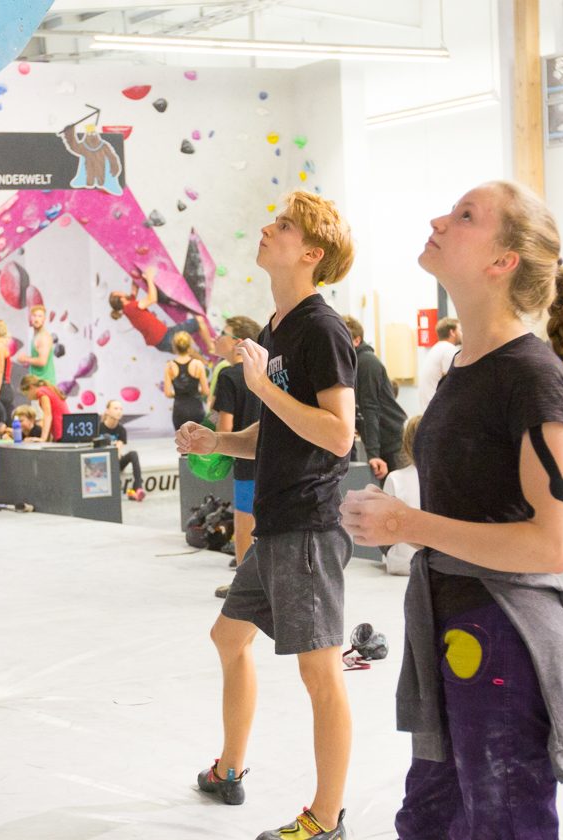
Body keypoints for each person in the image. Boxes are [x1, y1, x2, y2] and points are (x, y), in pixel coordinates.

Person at [339, 181, 563, 838]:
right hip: (454, 627)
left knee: (502, 824)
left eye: (465, 216)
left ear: (503, 262)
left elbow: (551, 547)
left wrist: (406, 525)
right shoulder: (468, 366)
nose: (439, 218)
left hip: (502, 640)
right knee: (433, 821)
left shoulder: (532, 377)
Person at [177, 190, 357, 840]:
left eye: (281, 225)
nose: (265, 227)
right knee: (229, 639)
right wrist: (219, 441)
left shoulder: (321, 329)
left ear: (310, 252)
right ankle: (231, 767)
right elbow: (280, 432)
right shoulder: (278, 330)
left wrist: (256, 389)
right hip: (277, 525)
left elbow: (339, 434)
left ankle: (326, 819)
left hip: (308, 525)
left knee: (320, 672)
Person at [211, 314, 264, 598]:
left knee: (244, 525)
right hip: (271, 458)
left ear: (238, 343)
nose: (218, 337)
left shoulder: (229, 376)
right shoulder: (266, 372)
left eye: (223, 332)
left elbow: (225, 428)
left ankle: (243, 586)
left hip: (245, 460)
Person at [344, 315, 409, 478]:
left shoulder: (366, 363)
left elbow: (369, 407)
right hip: (380, 440)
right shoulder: (351, 364)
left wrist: (373, 454)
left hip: (392, 442)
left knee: (396, 493)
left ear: (357, 340)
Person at [109, 266, 213, 354]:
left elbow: (134, 290)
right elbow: (152, 298)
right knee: (199, 320)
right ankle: (211, 347)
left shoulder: (127, 309)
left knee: (187, 350)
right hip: (165, 337)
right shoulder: (131, 307)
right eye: (119, 292)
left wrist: (137, 272)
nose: (121, 291)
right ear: (121, 299)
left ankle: (206, 362)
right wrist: (150, 278)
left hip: (160, 344)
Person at [381, 415, 422, 576]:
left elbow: (383, 530)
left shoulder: (395, 478)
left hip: (400, 561)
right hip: (439, 561)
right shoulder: (446, 479)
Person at [99, 399, 145, 501]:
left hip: (115, 460)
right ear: (107, 411)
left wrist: (117, 449)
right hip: (101, 464)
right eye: (115, 408)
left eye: (121, 409)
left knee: (133, 454)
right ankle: (116, 488)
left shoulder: (121, 430)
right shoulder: (99, 428)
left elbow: (119, 447)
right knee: (107, 440)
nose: (119, 411)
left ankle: (138, 488)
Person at [164, 331, 209, 431]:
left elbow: (167, 393)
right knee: (199, 443)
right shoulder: (198, 364)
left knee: (183, 444)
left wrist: (179, 393)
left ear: (174, 347)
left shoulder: (170, 366)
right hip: (196, 408)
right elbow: (206, 391)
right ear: (190, 346)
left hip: (179, 410)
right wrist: (195, 391)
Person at [417, 317, 461, 410]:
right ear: (452, 332)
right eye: (460, 330)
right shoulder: (449, 349)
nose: (462, 334)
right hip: (436, 409)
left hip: (428, 408)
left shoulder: (436, 349)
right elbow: (452, 383)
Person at [15, 304, 56, 385]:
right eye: (34, 316)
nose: (37, 319)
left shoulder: (44, 337)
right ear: (31, 318)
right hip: (38, 383)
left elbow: (42, 361)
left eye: (40, 316)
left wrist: (25, 359)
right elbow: (38, 357)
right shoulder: (36, 336)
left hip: (45, 384)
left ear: (44, 319)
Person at [20, 375, 67, 442]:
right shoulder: (48, 389)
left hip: (61, 431)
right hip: (65, 429)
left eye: (27, 394)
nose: (28, 398)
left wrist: (43, 439)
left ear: (31, 387)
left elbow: (47, 415)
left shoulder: (41, 392)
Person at [0, 319, 17, 423]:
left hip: (3, 389)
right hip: (5, 387)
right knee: (7, 420)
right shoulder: (0, 345)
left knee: (5, 421)